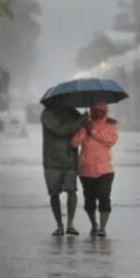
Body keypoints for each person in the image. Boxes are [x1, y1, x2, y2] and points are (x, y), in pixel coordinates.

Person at [70, 101, 119, 238]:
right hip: (86, 170)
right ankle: (94, 224)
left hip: (105, 170)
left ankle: (103, 227)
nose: (98, 113)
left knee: (104, 197)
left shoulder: (111, 124)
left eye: (100, 110)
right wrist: (82, 128)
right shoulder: (85, 126)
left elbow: (110, 140)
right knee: (89, 200)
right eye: (95, 110)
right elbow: (74, 143)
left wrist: (93, 131)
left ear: (105, 111)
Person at [41, 104, 85, 236]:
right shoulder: (47, 115)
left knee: (72, 191)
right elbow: (60, 131)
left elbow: (81, 132)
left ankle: (70, 224)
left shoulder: (74, 114)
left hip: (70, 160)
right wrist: (80, 122)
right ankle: (59, 225)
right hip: (52, 161)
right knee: (54, 193)